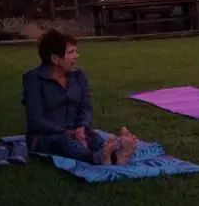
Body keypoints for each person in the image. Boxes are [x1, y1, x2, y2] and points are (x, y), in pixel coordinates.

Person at [22, 29, 138, 165]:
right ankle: (101, 158)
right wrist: (66, 131)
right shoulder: (34, 79)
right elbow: (35, 120)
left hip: (78, 132)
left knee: (94, 138)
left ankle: (115, 155)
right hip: (48, 136)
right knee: (65, 142)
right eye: (71, 52)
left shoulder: (78, 75)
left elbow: (86, 107)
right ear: (55, 59)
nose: (77, 56)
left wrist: (82, 126)